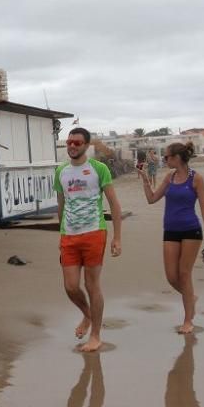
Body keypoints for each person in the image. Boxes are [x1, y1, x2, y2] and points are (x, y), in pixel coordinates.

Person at [136, 142, 204, 334]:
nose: (165, 160)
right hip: (170, 231)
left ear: (177, 158)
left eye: (167, 157)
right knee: (171, 277)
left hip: (191, 230)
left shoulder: (196, 179)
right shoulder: (169, 177)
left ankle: (188, 320)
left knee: (184, 274)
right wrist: (145, 180)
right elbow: (152, 199)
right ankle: (191, 297)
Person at [54, 128, 123, 352]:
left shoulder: (98, 168)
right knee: (70, 286)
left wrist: (117, 237)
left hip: (94, 232)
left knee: (91, 285)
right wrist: (61, 233)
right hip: (69, 235)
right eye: (69, 142)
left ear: (85, 145)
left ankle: (95, 335)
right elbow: (61, 205)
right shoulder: (61, 171)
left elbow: (114, 204)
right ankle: (87, 315)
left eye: (77, 142)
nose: (72, 146)